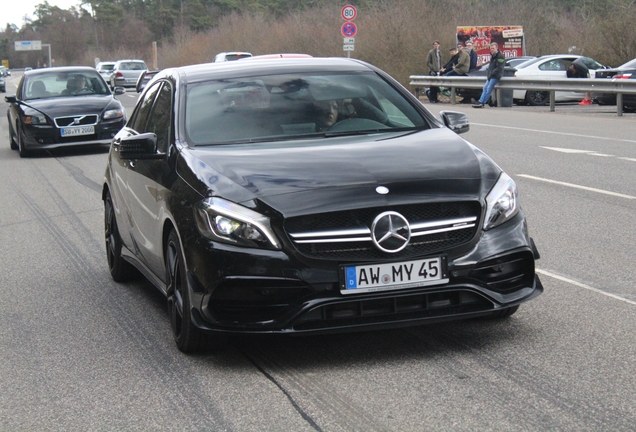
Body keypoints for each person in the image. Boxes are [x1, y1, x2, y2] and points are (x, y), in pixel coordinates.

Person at [473, 42, 506, 108]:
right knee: (485, 88)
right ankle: (480, 101)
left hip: (496, 75)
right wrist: (489, 74)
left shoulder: (500, 56)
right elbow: (491, 67)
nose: (492, 50)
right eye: (491, 48)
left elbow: (499, 68)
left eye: (493, 48)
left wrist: (492, 74)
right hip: (491, 75)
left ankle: (482, 102)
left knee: (489, 88)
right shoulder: (492, 56)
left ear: (497, 48)